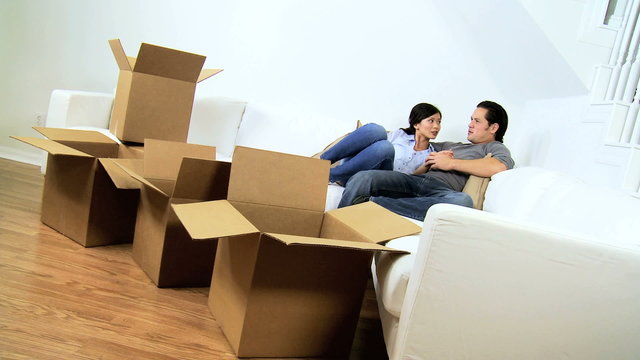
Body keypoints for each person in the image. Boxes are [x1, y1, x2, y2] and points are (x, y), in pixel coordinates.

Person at [338, 100, 515, 221]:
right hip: (414, 181)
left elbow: (499, 166)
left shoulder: (494, 148)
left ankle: (373, 204)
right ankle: (336, 226)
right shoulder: (451, 144)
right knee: (364, 177)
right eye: (471, 120)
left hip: (441, 191)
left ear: (493, 127)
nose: (470, 124)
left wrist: (451, 163)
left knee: (462, 202)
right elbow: (419, 142)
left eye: (476, 121)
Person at [320, 103, 442, 185]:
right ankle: (320, 163)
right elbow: (370, 145)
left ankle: (330, 175)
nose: (436, 126)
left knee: (386, 147)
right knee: (376, 130)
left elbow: (410, 181)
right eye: (431, 121)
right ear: (416, 124)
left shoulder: (431, 155)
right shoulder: (399, 135)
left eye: (439, 122)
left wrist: (426, 165)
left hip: (377, 181)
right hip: (356, 168)